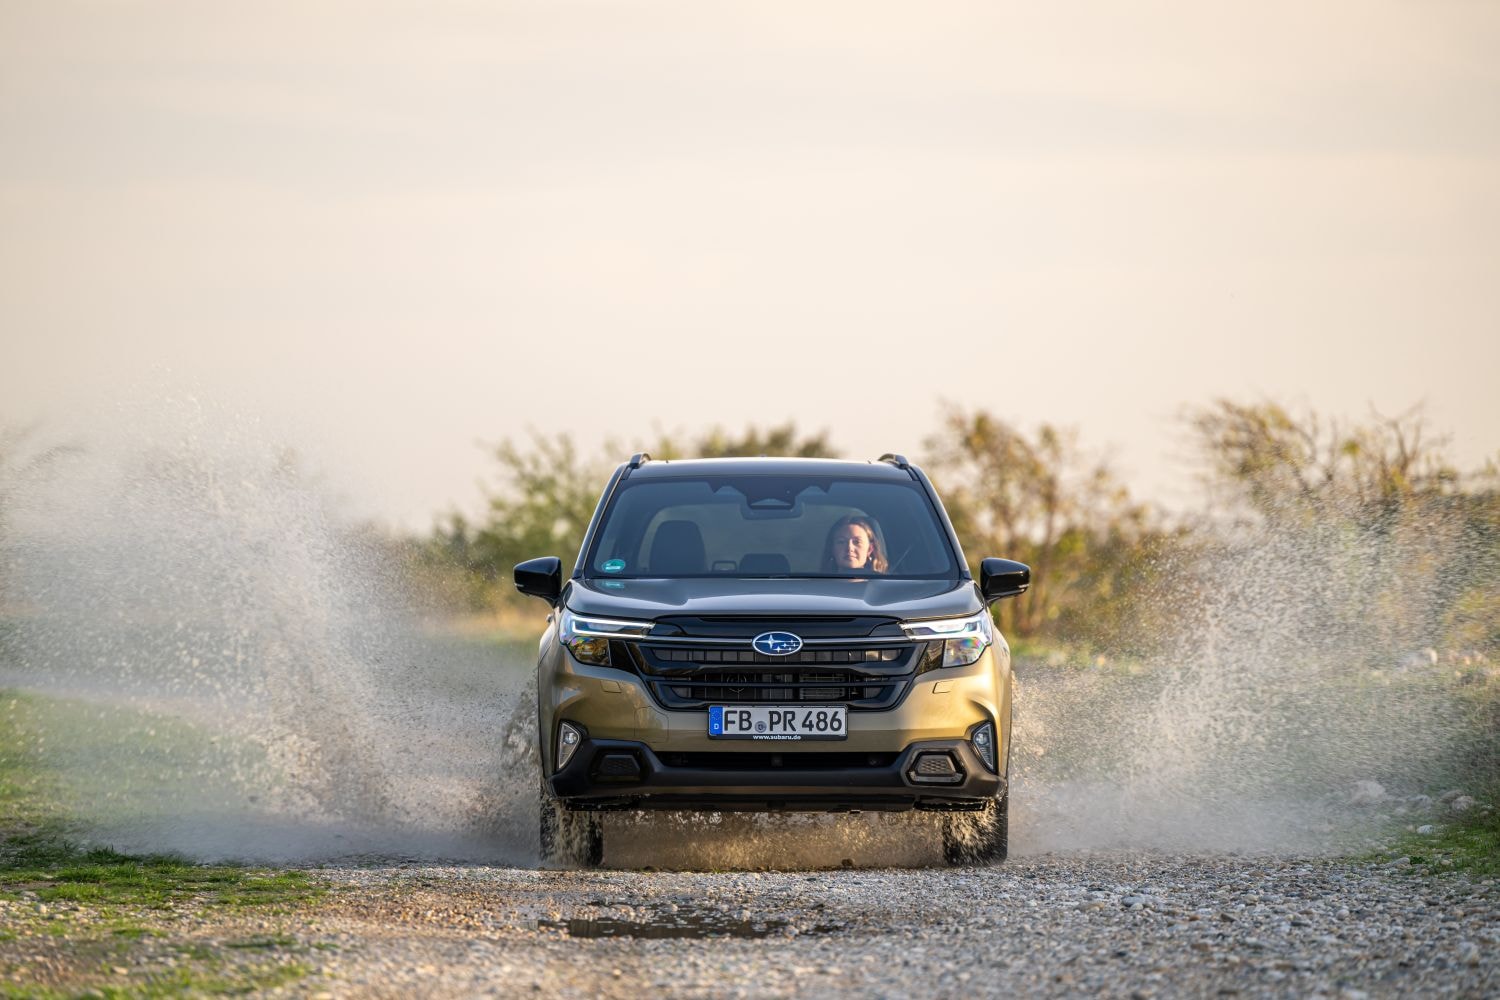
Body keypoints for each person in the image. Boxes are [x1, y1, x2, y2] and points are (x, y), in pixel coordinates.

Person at [822, 513, 888, 574]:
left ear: (870, 549)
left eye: (857, 542)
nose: (849, 548)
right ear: (832, 548)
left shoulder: (882, 582)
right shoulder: (820, 582)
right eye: (841, 542)